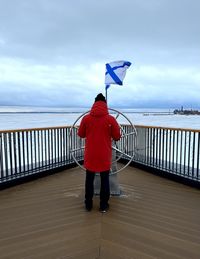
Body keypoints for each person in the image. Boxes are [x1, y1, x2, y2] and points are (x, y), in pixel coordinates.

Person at [78, 93, 121, 213]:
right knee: (104, 180)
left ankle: (88, 205)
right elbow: (117, 136)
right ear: (105, 104)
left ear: (94, 103)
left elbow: (81, 134)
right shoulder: (111, 119)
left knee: (89, 180)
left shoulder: (86, 118)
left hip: (90, 155)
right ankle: (103, 205)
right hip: (104, 155)